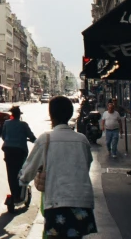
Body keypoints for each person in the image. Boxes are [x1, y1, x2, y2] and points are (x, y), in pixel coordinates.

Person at [20, 96, 97, 237]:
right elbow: (87, 164)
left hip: (57, 202)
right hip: (82, 202)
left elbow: (28, 170)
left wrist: (23, 180)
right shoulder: (82, 140)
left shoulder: (45, 139)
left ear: (51, 115)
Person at [1, 106, 37, 210]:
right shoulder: (23, 125)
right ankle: (20, 192)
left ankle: (14, 193)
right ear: (19, 115)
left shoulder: (7, 123)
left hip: (8, 151)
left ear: (12, 115)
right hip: (20, 151)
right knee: (21, 171)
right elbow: (32, 136)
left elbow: (3, 136)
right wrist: (34, 140)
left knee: (11, 173)